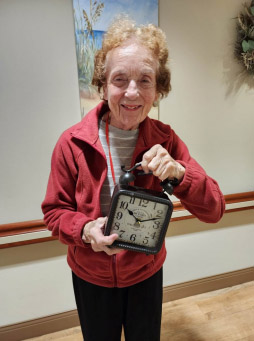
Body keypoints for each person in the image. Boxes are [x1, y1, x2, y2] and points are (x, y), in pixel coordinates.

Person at [41, 17, 225, 341]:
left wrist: (180, 173)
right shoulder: (71, 144)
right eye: (120, 79)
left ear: (158, 89)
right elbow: (54, 212)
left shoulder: (167, 141)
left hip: (146, 275)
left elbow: (214, 209)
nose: (131, 91)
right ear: (102, 84)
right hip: (91, 277)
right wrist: (85, 230)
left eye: (145, 80)